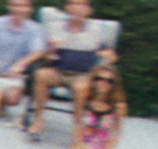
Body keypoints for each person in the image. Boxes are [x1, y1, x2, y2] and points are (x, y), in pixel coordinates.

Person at [20, 0, 114, 134]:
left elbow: (109, 54)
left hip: (82, 75)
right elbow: (45, 57)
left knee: (81, 87)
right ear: (67, 8)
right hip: (57, 71)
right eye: (74, 4)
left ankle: (78, 126)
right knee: (41, 75)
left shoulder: (96, 30)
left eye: (82, 5)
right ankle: (38, 120)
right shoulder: (55, 28)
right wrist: (50, 51)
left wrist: (108, 56)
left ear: (88, 10)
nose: (78, 9)